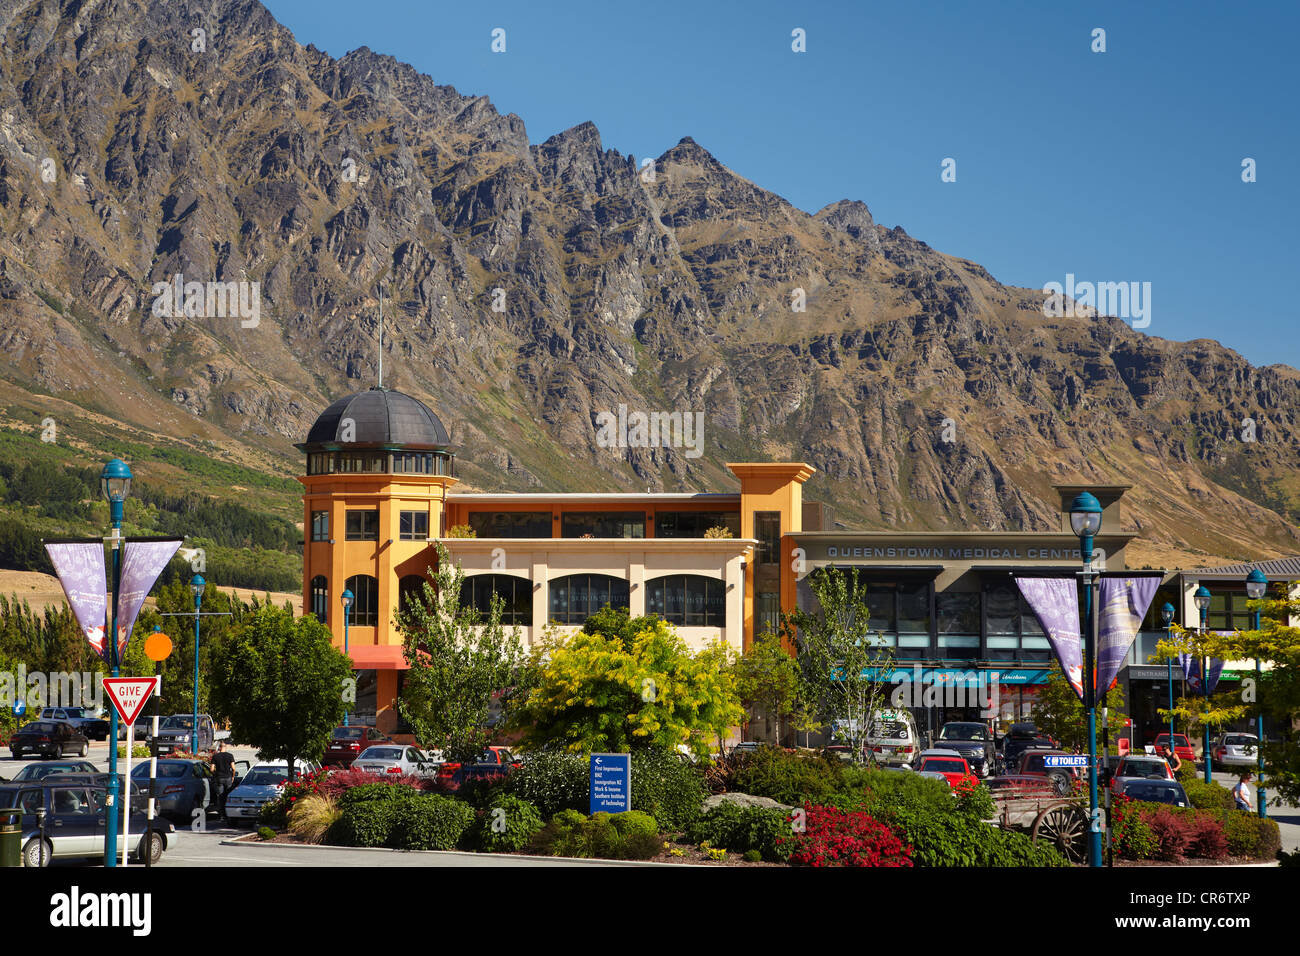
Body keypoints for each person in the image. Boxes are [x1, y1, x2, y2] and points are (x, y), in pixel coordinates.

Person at [210, 741, 236, 821]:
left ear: (219, 747)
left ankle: (222, 815)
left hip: (219, 778)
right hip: (228, 777)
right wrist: (233, 776)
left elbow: (211, 769)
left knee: (220, 797)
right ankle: (230, 815)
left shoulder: (215, 756)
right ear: (225, 747)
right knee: (228, 796)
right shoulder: (230, 756)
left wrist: (215, 774)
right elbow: (233, 768)